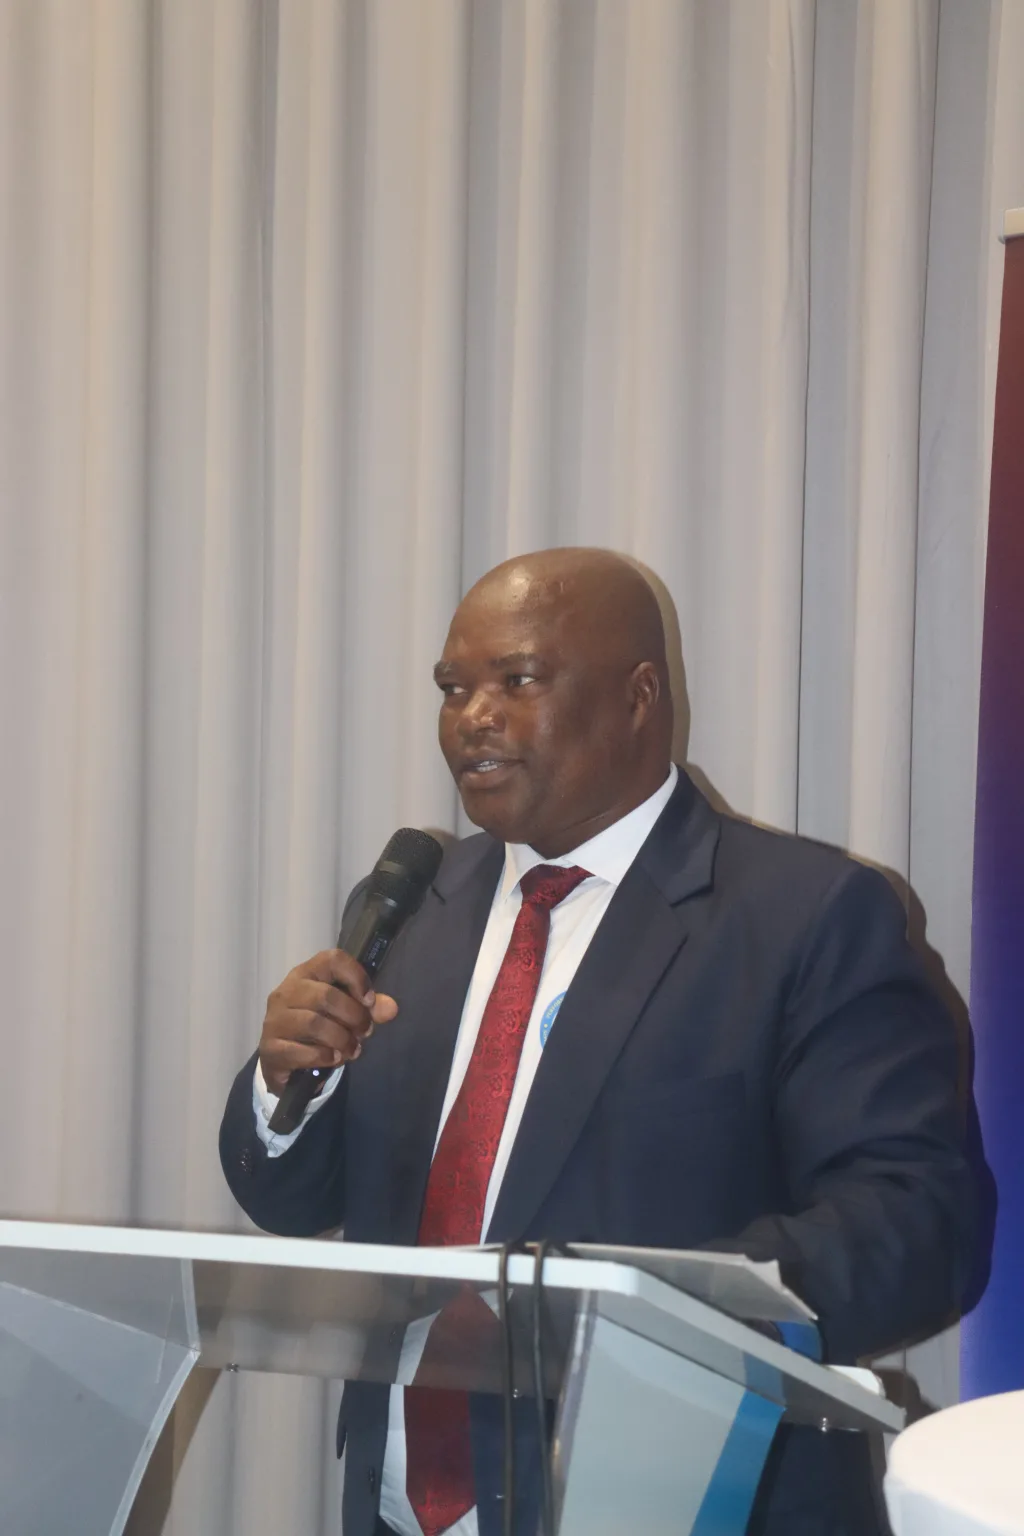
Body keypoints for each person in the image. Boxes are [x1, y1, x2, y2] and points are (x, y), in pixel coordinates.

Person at [220, 548, 975, 1536]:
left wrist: (641, 1310)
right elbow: (293, 1199)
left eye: (517, 680)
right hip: (401, 1508)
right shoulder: (412, 907)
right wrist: (288, 1086)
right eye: (452, 688)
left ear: (638, 696)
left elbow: (919, 1225)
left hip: (683, 1500)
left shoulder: (806, 915)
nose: (472, 717)